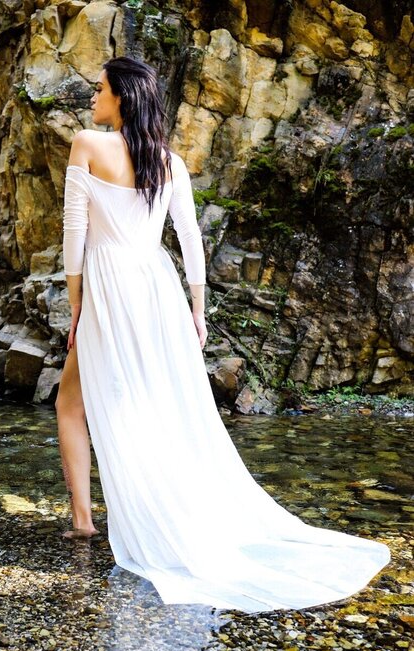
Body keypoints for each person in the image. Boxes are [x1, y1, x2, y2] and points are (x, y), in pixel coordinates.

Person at [55, 56, 391, 613]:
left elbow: (74, 233)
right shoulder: (169, 162)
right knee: (151, 403)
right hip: (157, 287)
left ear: (122, 97)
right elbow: (190, 238)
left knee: (74, 403)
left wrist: (76, 304)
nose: (93, 97)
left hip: (110, 285)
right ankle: (151, 511)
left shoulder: (87, 144)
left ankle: (86, 521)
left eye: (100, 88)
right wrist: (197, 308)